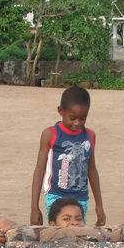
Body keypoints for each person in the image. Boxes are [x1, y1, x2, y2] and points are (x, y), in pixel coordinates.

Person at [30, 86, 106, 227]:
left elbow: (92, 170)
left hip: (81, 198)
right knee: (57, 233)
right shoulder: (50, 134)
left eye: (83, 118)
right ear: (61, 111)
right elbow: (39, 170)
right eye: (72, 118)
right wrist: (34, 207)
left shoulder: (90, 136)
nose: (77, 123)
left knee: (77, 235)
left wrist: (99, 205)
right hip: (55, 195)